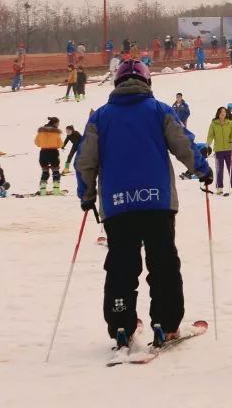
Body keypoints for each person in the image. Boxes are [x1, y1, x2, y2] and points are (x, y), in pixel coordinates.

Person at [74, 59, 211, 350]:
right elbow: (182, 143)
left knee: (122, 267)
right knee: (163, 263)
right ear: (147, 82)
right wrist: (202, 169)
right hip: (156, 202)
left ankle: (121, 325)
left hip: (117, 206)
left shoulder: (100, 117)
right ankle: (167, 325)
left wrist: (87, 195)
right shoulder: (159, 110)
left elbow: (85, 160)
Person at [207, 106, 232, 195]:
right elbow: (210, 135)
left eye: (224, 112)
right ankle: (219, 188)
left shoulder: (230, 123)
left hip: (229, 149)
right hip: (218, 150)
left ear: (226, 113)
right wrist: (208, 144)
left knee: (231, 169)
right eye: (221, 112)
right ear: (218, 113)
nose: (223, 113)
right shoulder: (214, 124)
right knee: (219, 170)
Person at [35, 116, 64, 195]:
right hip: (53, 152)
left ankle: (43, 190)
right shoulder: (56, 133)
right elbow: (60, 144)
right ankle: (56, 190)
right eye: (58, 123)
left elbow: (37, 143)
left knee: (45, 171)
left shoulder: (40, 132)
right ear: (55, 123)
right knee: (55, 171)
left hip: (43, 153)